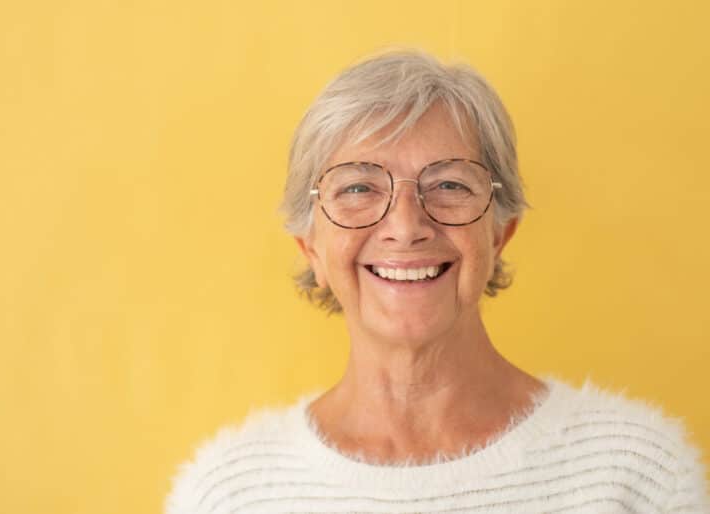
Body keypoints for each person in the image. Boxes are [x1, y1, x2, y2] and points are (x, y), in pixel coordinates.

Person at [165, 50, 709, 513]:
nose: (405, 227)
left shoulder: (638, 479)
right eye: (358, 188)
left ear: (499, 234)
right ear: (310, 247)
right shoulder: (229, 496)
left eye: (449, 183)